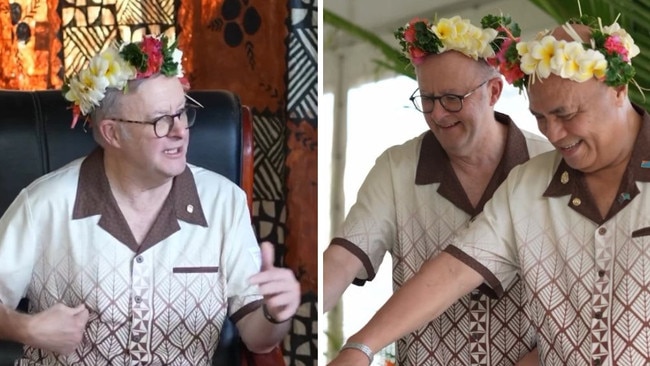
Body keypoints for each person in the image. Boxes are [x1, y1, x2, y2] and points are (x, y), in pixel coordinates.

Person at [328, 11, 648, 366]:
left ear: (618, 90)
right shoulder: (529, 185)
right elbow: (453, 271)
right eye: (541, 118)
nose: (553, 134)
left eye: (567, 114)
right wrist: (361, 346)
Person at [0, 34, 300, 365]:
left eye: (182, 113)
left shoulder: (224, 202)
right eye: (160, 120)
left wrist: (275, 313)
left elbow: (257, 341)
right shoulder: (45, 203)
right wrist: (27, 329)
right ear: (113, 133)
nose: (179, 131)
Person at [323, 14, 553, 365]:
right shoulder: (397, 168)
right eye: (427, 99)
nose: (438, 114)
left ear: (494, 92)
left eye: (452, 98)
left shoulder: (548, 166)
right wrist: (300, 315)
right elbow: (342, 260)